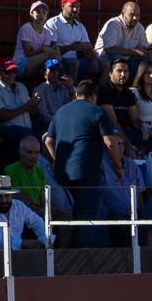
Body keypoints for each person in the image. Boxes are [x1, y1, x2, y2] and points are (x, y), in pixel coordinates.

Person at [44, 80, 120, 248]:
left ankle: (69, 255)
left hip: (63, 175)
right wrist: (119, 167)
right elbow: (111, 143)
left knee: (73, 216)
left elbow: (48, 141)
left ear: (77, 94)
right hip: (87, 174)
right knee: (90, 217)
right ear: (94, 96)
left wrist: (58, 161)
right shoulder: (96, 111)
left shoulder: (61, 111)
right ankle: (82, 257)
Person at [99, 57, 152, 187]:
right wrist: (128, 145)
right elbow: (113, 123)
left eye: (126, 71)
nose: (123, 75)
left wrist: (143, 127)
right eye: (119, 71)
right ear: (110, 73)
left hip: (127, 132)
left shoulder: (128, 93)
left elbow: (135, 120)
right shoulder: (104, 91)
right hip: (109, 134)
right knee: (120, 140)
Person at [98, 134, 146, 248]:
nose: (120, 147)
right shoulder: (101, 164)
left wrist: (142, 215)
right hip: (112, 214)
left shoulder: (132, 164)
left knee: (145, 230)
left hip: (132, 214)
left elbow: (139, 194)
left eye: (122, 144)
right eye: (116, 144)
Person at [44, 0, 100, 81]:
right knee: (73, 63)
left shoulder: (80, 27)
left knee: (103, 63)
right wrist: (70, 47)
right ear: (63, 6)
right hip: (58, 62)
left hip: (75, 62)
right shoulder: (53, 23)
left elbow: (88, 47)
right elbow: (51, 50)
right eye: (72, 6)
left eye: (78, 6)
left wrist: (94, 59)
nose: (75, 9)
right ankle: (71, 91)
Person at [95, 2, 152, 78]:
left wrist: (148, 50)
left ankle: (138, 87)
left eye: (137, 15)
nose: (135, 18)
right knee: (119, 59)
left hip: (129, 58)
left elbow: (142, 47)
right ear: (123, 14)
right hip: (106, 58)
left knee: (151, 60)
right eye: (132, 14)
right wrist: (134, 52)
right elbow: (110, 49)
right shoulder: (113, 24)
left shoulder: (139, 27)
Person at [0, 61, 40, 161]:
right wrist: (26, 106)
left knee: (42, 135)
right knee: (25, 137)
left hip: (27, 130)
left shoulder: (21, 86)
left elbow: (33, 113)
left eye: (14, 71)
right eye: (8, 72)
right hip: (8, 130)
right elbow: (2, 115)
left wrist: (34, 105)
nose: (12, 75)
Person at [0, 174, 49, 249]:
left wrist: (45, 240)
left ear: (11, 195)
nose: (4, 200)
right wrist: (21, 243)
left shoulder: (18, 205)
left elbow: (37, 222)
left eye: (7, 196)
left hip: (18, 254)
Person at [13, 0, 60, 80]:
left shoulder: (47, 32)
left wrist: (54, 49)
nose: (41, 15)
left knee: (55, 53)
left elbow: (46, 51)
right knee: (51, 56)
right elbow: (28, 53)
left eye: (44, 12)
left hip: (36, 63)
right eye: (38, 12)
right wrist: (43, 49)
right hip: (21, 64)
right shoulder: (26, 28)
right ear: (31, 14)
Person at [32, 59, 74, 133]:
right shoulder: (39, 90)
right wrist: (61, 124)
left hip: (65, 125)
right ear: (45, 74)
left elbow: (72, 107)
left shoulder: (64, 88)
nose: (56, 73)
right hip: (48, 128)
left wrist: (70, 88)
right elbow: (44, 116)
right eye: (52, 70)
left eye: (57, 70)